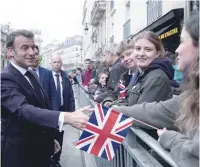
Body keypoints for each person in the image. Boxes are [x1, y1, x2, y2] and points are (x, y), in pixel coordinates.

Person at [112, 13, 199, 167]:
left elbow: (194, 157)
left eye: (182, 41)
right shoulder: (193, 93)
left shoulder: (157, 77)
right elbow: (157, 110)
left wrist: (170, 139)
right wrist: (115, 110)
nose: (177, 50)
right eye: (137, 48)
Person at [1, 29, 93, 167]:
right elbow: (23, 110)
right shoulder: (5, 78)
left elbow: (42, 107)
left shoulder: (31, 74)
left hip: (40, 151)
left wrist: (49, 139)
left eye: (33, 47)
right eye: (25, 48)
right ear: (10, 52)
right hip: (20, 155)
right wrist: (66, 117)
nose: (32, 52)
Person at [50, 55, 76, 165]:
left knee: (60, 135)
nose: (56, 64)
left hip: (62, 111)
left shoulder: (65, 78)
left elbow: (70, 95)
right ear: (51, 64)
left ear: (61, 64)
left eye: (58, 62)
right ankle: (48, 158)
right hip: (50, 111)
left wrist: (72, 113)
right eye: (54, 62)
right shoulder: (46, 77)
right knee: (50, 135)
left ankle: (56, 159)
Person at [102, 39, 138, 105]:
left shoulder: (145, 75)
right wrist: (108, 101)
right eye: (122, 57)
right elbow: (115, 94)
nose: (126, 59)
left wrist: (117, 106)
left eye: (128, 54)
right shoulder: (124, 76)